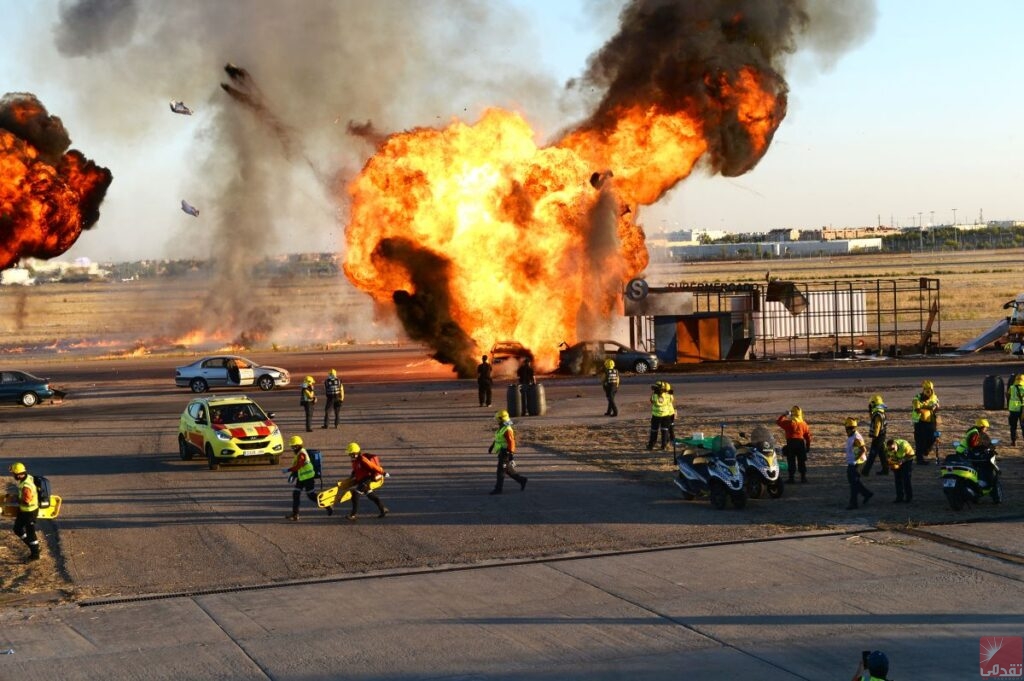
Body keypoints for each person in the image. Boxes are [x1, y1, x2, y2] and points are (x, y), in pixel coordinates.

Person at [340, 442, 388, 521]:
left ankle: (353, 515)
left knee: (355, 494)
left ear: (356, 453)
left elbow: (373, 467)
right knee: (370, 495)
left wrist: (383, 473)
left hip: (366, 479)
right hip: (361, 480)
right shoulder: (355, 460)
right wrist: (352, 476)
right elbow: (356, 470)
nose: (349, 455)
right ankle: (383, 509)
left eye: (351, 454)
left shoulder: (362, 459)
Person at [7, 462, 40, 561]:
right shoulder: (27, 477)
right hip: (24, 511)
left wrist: (16, 499)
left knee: (31, 533)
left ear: (18, 474)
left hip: (29, 512)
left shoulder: (26, 486)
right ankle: (33, 547)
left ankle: (35, 555)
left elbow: (26, 501)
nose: (13, 476)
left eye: (14, 474)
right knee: (17, 529)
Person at [489, 409, 527, 494]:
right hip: (502, 452)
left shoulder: (507, 428)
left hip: (505, 453)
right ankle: (522, 480)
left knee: (501, 471)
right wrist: (492, 446)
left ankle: (498, 489)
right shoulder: (502, 426)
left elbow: (511, 442)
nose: (496, 420)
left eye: (497, 418)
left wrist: (510, 454)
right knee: (507, 469)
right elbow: (499, 437)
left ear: (502, 418)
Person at [283, 436, 319, 520]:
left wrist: (288, 470)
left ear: (299, 445)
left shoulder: (302, 454)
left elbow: (299, 466)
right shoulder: (299, 453)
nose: (293, 449)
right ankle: (295, 514)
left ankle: (327, 505)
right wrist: (293, 475)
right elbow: (298, 467)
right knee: (296, 494)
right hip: (302, 478)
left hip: (308, 478)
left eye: (294, 446)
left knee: (311, 496)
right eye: (292, 447)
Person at [843, 417, 873, 510]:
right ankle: (866, 494)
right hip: (853, 462)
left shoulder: (856, 437)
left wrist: (856, 459)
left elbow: (863, 450)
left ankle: (853, 503)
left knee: (853, 483)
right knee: (853, 481)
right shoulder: (852, 436)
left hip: (857, 463)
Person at [777, 406, 812, 483]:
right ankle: (803, 478)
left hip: (791, 443)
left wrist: (784, 415)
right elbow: (808, 436)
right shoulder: (804, 424)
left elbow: (779, 422)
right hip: (801, 444)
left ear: (793, 413)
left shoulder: (789, 423)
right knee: (801, 461)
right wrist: (808, 445)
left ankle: (791, 478)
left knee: (791, 461)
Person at [911, 379, 939, 464]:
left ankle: (925, 451)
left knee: (932, 438)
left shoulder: (934, 396)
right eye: (927, 393)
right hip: (920, 422)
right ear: (923, 391)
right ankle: (919, 459)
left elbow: (937, 405)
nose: (929, 395)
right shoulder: (917, 398)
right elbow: (918, 410)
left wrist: (936, 407)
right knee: (920, 441)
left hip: (931, 421)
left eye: (930, 392)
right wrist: (929, 407)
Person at [861, 395, 889, 476]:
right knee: (882, 454)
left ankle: (865, 471)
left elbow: (877, 426)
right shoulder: (880, 412)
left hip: (878, 437)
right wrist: (870, 411)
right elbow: (873, 419)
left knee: (872, 455)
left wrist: (874, 436)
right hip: (882, 436)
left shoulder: (878, 414)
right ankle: (885, 469)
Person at [885, 438, 915, 503]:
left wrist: (903, 460)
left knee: (906, 478)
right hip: (896, 460)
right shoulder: (887, 449)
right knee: (897, 479)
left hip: (907, 460)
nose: (891, 451)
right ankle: (899, 497)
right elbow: (887, 457)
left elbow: (912, 455)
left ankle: (909, 498)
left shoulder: (904, 445)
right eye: (890, 449)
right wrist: (890, 464)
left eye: (893, 449)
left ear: (895, 445)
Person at [646, 381, 674, 450]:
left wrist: (655, 393)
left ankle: (651, 445)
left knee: (654, 431)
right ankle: (664, 445)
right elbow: (671, 400)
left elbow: (651, 401)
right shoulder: (669, 396)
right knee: (664, 431)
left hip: (656, 416)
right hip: (665, 416)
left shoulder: (654, 396)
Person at [1008, 373, 1024, 446]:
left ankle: (1013, 441)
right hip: (1022, 410)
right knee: (1023, 426)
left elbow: (1008, 395)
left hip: (1013, 410)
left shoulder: (1012, 387)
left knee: (1013, 426)